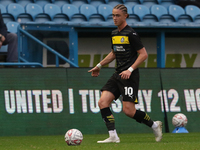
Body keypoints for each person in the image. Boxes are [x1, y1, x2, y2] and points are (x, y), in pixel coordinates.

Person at [88, 4, 162, 143]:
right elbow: (113, 53)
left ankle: (154, 125)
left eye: (117, 15)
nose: (114, 18)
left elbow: (143, 54)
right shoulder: (114, 33)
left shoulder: (131, 33)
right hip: (118, 75)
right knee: (103, 102)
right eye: (113, 15)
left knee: (128, 111)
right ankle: (113, 136)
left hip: (130, 76)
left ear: (125, 16)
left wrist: (130, 69)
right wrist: (99, 65)